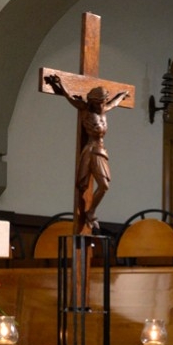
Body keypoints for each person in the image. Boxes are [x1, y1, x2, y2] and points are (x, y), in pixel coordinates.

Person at [45, 74, 129, 234]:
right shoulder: (85, 110)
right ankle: (90, 213)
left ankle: (90, 212)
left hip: (101, 150)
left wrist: (122, 95)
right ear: (94, 101)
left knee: (104, 186)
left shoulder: (103, 110)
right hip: (92, 150)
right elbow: (70, 97)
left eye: (104, 101)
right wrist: (60, 83)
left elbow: (114, 103)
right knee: (103, 185)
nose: (103, 105)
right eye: (100, 102)